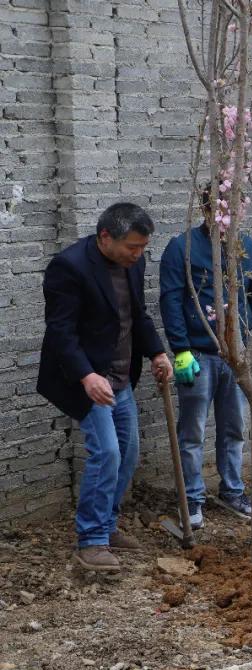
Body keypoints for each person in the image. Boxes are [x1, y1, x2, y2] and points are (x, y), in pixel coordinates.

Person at [37, 202, 173, 571]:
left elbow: (137, 316)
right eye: (132, 246)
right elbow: (60, 332)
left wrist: (157, 353)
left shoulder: (133, 264)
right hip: (86, 379)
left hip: (119, 377)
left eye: (143, 247)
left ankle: (107, 525)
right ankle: (91, 540)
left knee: (127, 453)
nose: (138, 254)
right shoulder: (69, 267)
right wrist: (86, 376)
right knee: (107, 453)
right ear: (105, 237)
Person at [158, 181, 252, 528]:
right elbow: (172, 300)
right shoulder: (183, 249)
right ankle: (192, 497)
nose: (231, 218)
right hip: (199, 355)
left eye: (238, 210)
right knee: (192, 432)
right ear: (208, 210)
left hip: (237, 357)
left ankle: (232, 490)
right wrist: (180, 350)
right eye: (223, 211)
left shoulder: (246, 246)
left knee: (234, 428)